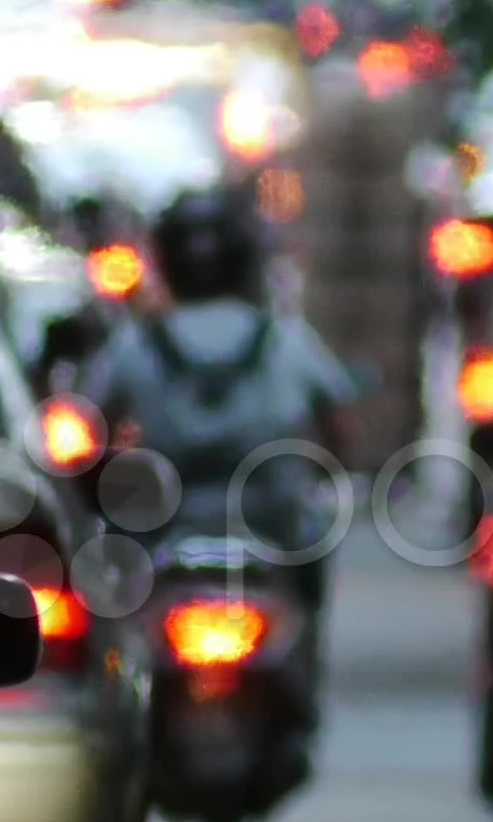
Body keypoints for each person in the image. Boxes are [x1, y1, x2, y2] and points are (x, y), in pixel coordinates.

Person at [76, 187, 357, 715]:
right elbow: (337, 421)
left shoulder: (135, 344)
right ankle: (302, 675)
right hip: (273, 520)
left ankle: (112, 690)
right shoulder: (285, 339)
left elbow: (87, 427)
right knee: (315, 551)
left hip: (157, 524)